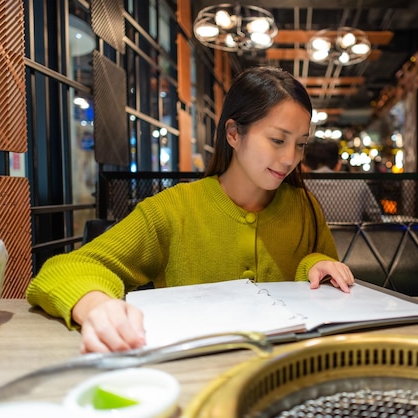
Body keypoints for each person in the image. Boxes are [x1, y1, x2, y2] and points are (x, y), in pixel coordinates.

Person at [26, 66, 355, 353]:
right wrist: (97, 306)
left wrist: (316, 265)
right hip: (192, 371)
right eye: (277, 140)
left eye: (300, 144)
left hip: (285, 371)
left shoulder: (304, 205)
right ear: (233, 133)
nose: (290, 159)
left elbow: (321, 274)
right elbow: (63, 270)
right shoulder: (173, 209)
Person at [302, 139, 382, 223]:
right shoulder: (357, 184)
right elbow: (376, 217)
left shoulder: (299, 186)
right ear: (338, 165)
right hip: (350, 236)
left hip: (312, 236)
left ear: (305, 167)